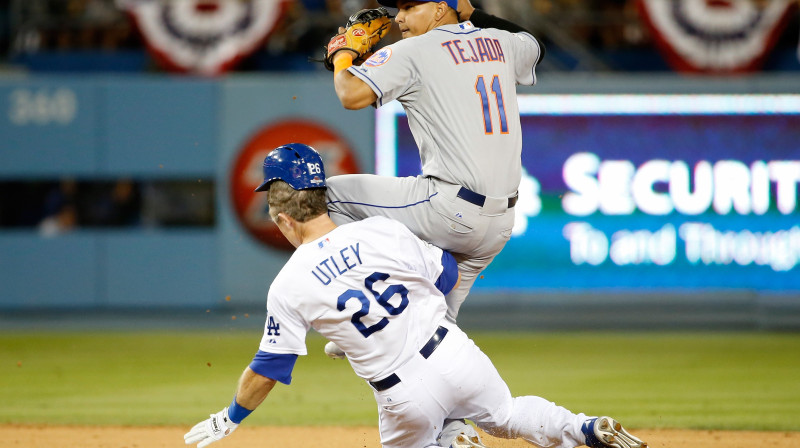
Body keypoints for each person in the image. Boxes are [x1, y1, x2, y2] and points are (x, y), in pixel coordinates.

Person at [184, 143, 648, 448]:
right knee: (508, 414)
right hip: (454, 353)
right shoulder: (382, 229)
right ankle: (584, 429)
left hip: (401, 393)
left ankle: (451, 443)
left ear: (284, 220)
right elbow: (446, 275)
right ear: (324, 197)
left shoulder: (289, 285)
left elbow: (269, 368)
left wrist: (231, 417)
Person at [325, 1, 544, 443]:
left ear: (441, 9)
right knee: (436, 333)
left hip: (449, 207)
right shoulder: (501, 42)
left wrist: (343, 55)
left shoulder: (415, 51)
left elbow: (350, 94)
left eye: (410, 6)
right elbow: (534, 44)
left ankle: (363, 300)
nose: (399, 18)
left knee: (323, 195)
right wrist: (471, 11)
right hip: (499, 225)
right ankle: (453, 430)